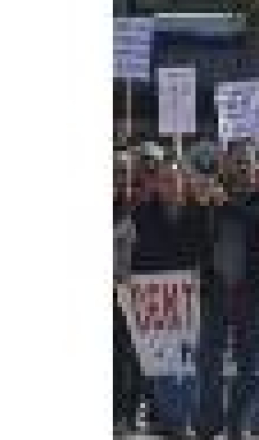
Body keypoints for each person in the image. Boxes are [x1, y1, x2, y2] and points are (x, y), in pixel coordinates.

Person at [196, 143, 259, 440]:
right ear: (225, 166)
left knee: (251, 366)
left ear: (256, 166)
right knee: (207, 363)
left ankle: (237, 426)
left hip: (253, 295)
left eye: (247, 162)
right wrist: (201, 207)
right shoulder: (210, 197)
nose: (242, 167)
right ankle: (210, 425)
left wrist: (224, 203)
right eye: (236, 162)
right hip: (216, 293)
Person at [130, 159, 210, 439]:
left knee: (190, 363)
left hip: (192, 299)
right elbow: (129, 252)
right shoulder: (140, 214)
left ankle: (186, 419)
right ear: (158, 185)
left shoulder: (201, 213)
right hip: (154, 299)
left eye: (175, 180)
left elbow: (209, 251)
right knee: (160, 364)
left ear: (184, 183)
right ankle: (172, 421)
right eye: (165, 180)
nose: (171, 185)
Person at [114, 150, 143, 433]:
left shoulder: (137, 205)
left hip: (128, 292)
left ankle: (125, 414)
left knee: (127, 355)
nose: (120, 177)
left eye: (124, 172)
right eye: (116, 171)